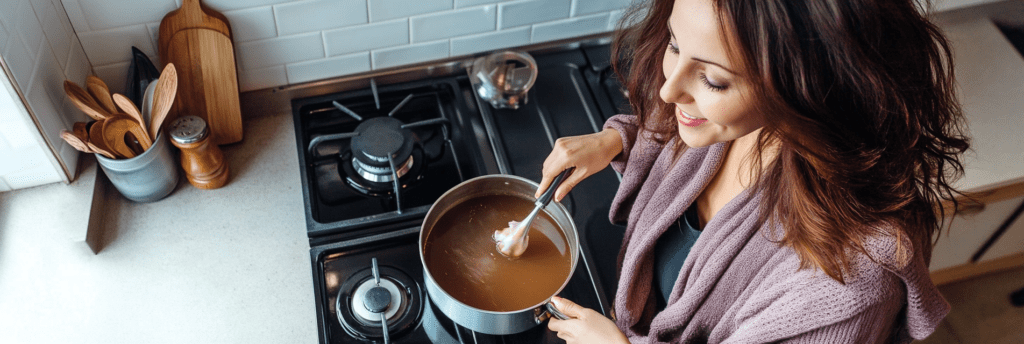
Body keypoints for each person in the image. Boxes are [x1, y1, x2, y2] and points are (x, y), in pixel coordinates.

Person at [540, 0, 970, 343]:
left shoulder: (848, 289)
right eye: (674, 44)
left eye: (713, 80)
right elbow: (672, 134)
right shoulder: (745, 124)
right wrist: (616, 140)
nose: (669, 91)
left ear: (808, 89)